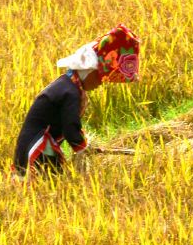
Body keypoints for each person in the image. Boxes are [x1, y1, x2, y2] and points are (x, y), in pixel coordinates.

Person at [13, 26, 140, 176]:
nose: (100, 83)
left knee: (51, 187)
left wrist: (83, 143)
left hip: (30, 145)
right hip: (38, 147)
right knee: (52, 186)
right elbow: (70, 127)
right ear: (88, 71)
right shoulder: (70, 93)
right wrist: (84, 147)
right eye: (99, 77)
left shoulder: (67, 85)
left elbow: (69, 126)